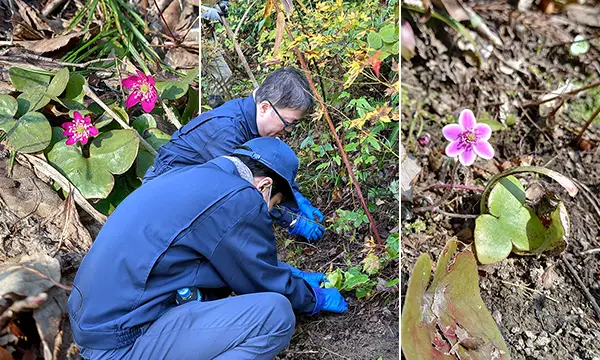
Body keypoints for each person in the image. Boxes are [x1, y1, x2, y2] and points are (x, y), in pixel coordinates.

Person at [68, 138, 348, 360]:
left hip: (95, 328)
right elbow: (261, 280)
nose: (269, 212)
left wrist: (289, 273)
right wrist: (313, 299)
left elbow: (229, 261)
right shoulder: (241, 197)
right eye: (273, 205)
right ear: (264, 186)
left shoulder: (192, 177)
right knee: (275, 315)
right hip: (122, 343)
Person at [144, 68, 325, 242]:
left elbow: (270, 166)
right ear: (264, 108)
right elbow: (246, 195)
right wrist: (292, 219)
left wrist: (295, 199)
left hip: (191, 188)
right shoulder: (226, 133)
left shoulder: (254, 121)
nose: (289, 131)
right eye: (288, 123)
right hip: (165, 200)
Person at [200, 0, 232, 108]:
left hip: (208, 39)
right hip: (200, 40)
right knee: (222, 74)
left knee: (221, 74)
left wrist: (222, 5)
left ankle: (216, 107)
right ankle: (215, 109)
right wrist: (208, 12)